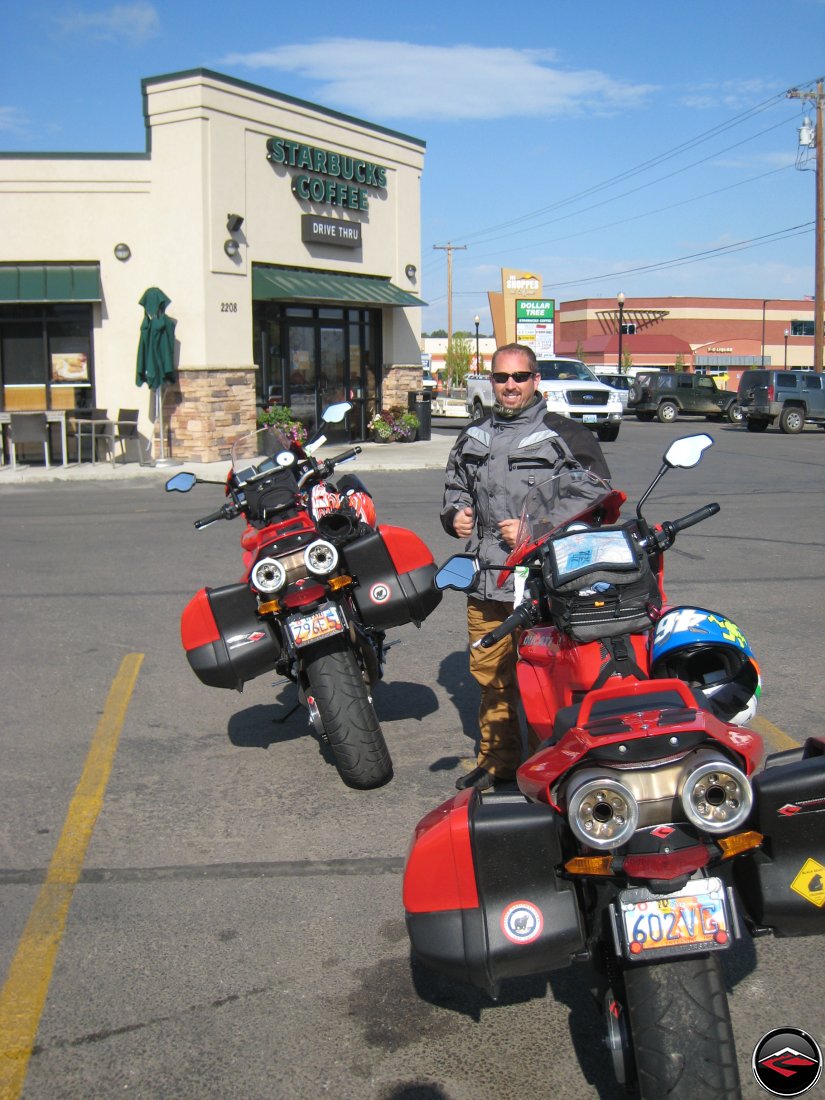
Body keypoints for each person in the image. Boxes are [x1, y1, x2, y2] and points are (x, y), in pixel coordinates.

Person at [441, 343, 611, 791]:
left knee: (549, 679)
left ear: (536, 380)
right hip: (488, 581)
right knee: (491, 676)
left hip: (545, 584)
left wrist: (538, 525)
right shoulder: (473, 436)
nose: (510, 385)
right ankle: (497, 761)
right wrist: (455, 513)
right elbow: (455, 483)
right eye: (501, 378)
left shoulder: (566, 434)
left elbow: (598, 494)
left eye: (519, 377)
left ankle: (552, 766)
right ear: (491, 381)